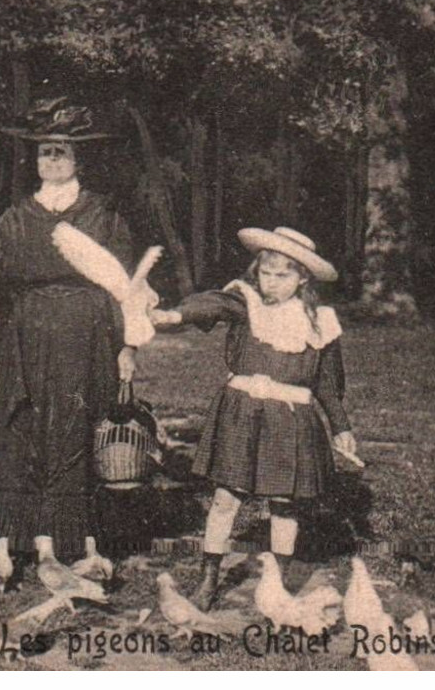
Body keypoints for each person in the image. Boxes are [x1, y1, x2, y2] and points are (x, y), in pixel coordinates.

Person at [0, 97, 138, 568]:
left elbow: (127, 288)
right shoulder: (16, 218)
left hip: (86, 334)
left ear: (79, 159)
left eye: (61, 151)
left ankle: (75, 541)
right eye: (44, 152)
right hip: (28, 335)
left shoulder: (103, 214)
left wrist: (128, 346)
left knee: (75, 430)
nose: (51, 160)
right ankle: (15, 537)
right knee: (21, 429)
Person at [149, 226, 356, 609]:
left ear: (303, 278)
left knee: (283, 505)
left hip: (291, 421)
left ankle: (275, 587)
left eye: (283, 276)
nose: (272, 283)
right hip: (243, 414)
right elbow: (211, 305)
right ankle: (208, 580)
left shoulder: (320, 321)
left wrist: (341, 427)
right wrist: (175, 314)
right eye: (266, 273)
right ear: (255, 271)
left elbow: (327, 383)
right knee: (226, 499)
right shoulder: (245, 302)